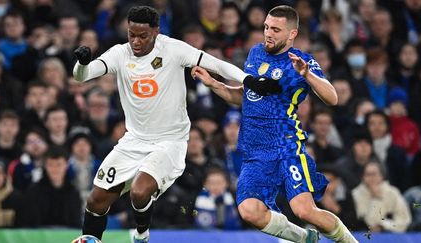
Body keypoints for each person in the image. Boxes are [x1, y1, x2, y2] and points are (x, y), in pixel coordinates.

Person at [71, 6, 280, 243]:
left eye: (143, 36)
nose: (136, 42)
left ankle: (141, 234)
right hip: (133, 140)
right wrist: (82, 63)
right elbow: (82, 76)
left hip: (170, 142)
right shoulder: (120, 53)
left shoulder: (172, 49)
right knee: (95, 201)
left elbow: (216, 64)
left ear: (156, 32)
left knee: (140, 192)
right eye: (131, 35)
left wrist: (248, 79)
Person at [192, 5, 358, 243]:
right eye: (267, 27)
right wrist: (214, 84)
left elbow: (332, 97)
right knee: (249, 210)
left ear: (292, 34)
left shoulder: (301, 61)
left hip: (285, 147)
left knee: (304, 210)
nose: (268, 33)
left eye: (276, 30)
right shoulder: (255, 53)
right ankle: (303, 238)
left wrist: (307, 75)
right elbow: (245, 96)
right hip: (254, 151)